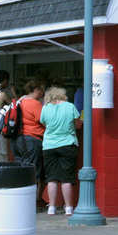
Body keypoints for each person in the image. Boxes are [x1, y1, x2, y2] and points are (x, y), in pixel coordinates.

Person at [41, 86, 81, 216]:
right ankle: (68, 207)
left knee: (51, 178)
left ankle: (51, 207)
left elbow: (44, 123)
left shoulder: (46, 108)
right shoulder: (70, 107)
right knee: (66, 178)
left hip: (49, 145)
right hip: (67, 143)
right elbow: (78, 124)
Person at [13, 80, 46, 210]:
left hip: (17, 139)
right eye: (41, 90)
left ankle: (20, 200)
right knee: (33, 172)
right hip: (32, 139)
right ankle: (30, 203)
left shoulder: (20, 102)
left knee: (21, 170)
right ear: (36, 90)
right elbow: (43, 120)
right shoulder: (35, 103)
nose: (43, 93)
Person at [0, 70, 14, 162]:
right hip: (1, 125)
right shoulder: (2, 94)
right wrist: (13, 92)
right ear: (5, 81)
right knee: (3, 153)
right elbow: (15, 105)